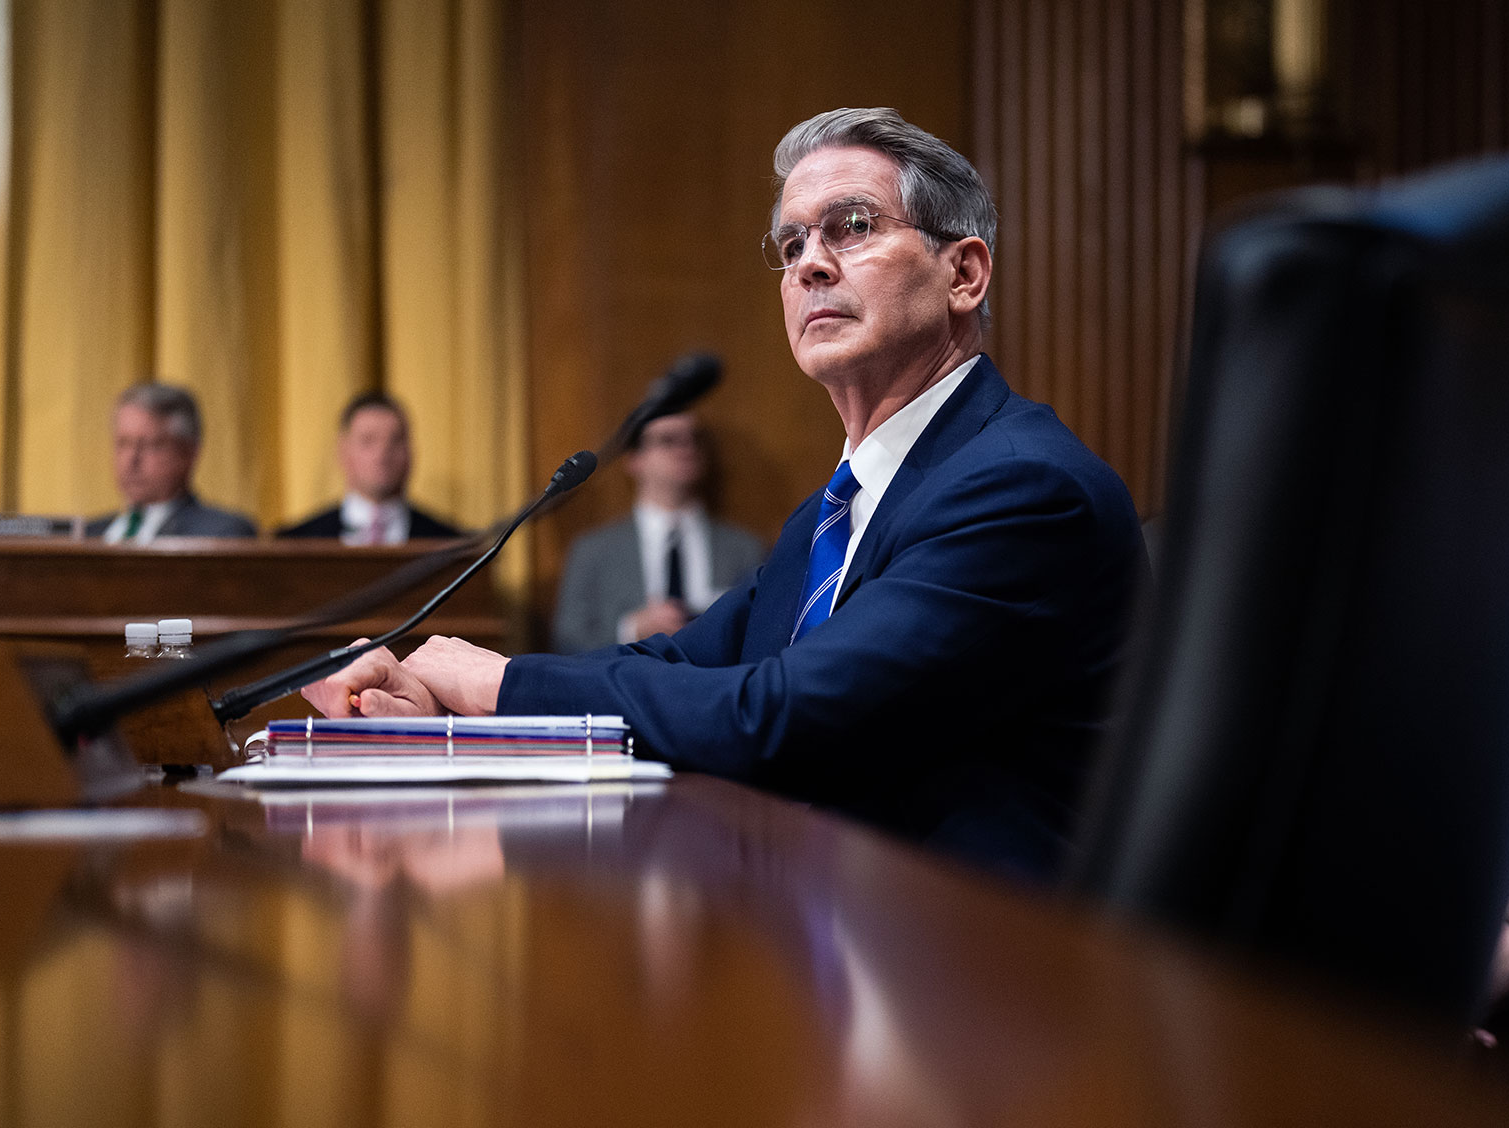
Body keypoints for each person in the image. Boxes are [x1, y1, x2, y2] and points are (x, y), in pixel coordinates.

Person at [302, 107, 1145, 879]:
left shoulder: (1021, 488)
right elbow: (683, 663)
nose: (811, 263)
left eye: (853, 228)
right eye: (790, 246)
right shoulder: (840, 510)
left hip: (984, 982)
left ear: (963, 273)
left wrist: (499, 687)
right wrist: (459, 696)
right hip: (838, 929)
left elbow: (785, 718)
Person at [552, 411, 765, 653]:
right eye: (668, 440)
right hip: (628, 684)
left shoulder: (745, 548)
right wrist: (631, 629)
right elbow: (567, 641)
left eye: (694, 438)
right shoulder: (593, 550)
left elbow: (764, 633)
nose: (686, 448)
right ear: (634, 459)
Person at [277, 392, 461, 543]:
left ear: (412, 452)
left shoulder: (455, 547)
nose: (382, 454)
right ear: (343, 451)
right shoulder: (293, 543)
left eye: (395, 441)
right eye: (368, 441)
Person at [86, 383, 256, 541]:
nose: (132, 459)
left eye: (150, 445)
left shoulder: (221, 534)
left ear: (188, 453)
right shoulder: (88, 534)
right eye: (123, 443)